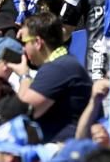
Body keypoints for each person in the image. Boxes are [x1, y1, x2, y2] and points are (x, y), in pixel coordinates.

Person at [7, 11, 91, 142]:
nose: (23, 49)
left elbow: (24, 110)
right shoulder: (62, 64)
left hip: (64, 148)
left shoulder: (58, 68)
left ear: (37, 42)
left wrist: (24, 76)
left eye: (25, 42)